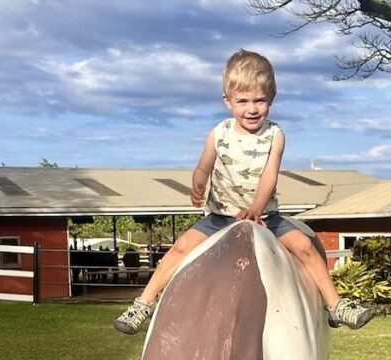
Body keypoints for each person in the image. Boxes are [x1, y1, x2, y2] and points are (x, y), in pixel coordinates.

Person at [114, 49, 374, 335]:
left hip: (266, 216)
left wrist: (257, 209)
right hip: (220, 217)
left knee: (304, 246)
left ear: (271, 100)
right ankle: (143, 303)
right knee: (180, 248)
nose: (252, 109)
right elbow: (203, 166)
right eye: (243, 101)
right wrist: (198, 181)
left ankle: (335, 305)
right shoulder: (218, 134)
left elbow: (269, 178)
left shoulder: (275, 135)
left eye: (260, 100)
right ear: (228, 101)